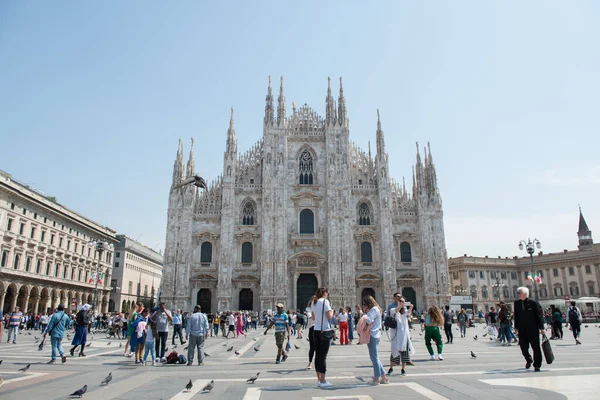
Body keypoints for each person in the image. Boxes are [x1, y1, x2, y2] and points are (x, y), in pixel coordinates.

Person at [513, 286, 545, 371]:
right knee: (523, 346)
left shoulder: (533, 303)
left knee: (536, 347)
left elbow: (539, 316)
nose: (518, 294)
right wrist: (516, 327)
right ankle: (528, 359)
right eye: (518, 293)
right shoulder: (516, 303)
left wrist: (541, 328)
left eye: (519, 293)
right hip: (522, 329)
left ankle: (537, 364)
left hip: (533, 329)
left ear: (525, 294)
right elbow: (516, 316)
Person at [363, 295, 388, 385]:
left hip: (373, 334)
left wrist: (365, 313)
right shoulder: (376, 309)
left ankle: (376, 379)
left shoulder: (374, 309)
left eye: (365, 304)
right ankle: (384, 378)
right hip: (375, 334)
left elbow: (369, 320)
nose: (364, 305)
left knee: (374, 358)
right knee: (375, 357)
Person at [311, 288, 334, 388]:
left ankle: (319, 379)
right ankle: (323, 380)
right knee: (323, 356)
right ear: (325, 293)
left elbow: (313, 317)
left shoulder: (313, 302)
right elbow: (329, 317)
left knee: (318, 355)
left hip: (315, 330)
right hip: (325, 331)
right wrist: (332, 312)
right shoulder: (325, 301)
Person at [389, 296, 414, 376]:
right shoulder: (393, 309)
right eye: (400, 301)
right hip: (396, 336)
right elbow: (394, 312)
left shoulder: (405, 311)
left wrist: (410, 307)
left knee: (404, 353)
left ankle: (403, 369)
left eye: (403, 301)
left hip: (404, 336)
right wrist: (400, 306)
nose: (402, 303)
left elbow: (409, 313)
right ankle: (391, 368)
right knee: (394, 352)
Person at [306, 296, 316, 369]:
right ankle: (310, 362)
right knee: (312, 347)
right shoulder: (308, 309)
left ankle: (320, 363)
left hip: (319, 328)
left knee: (320, 347)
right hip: (312, 328)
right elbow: (310, 316)